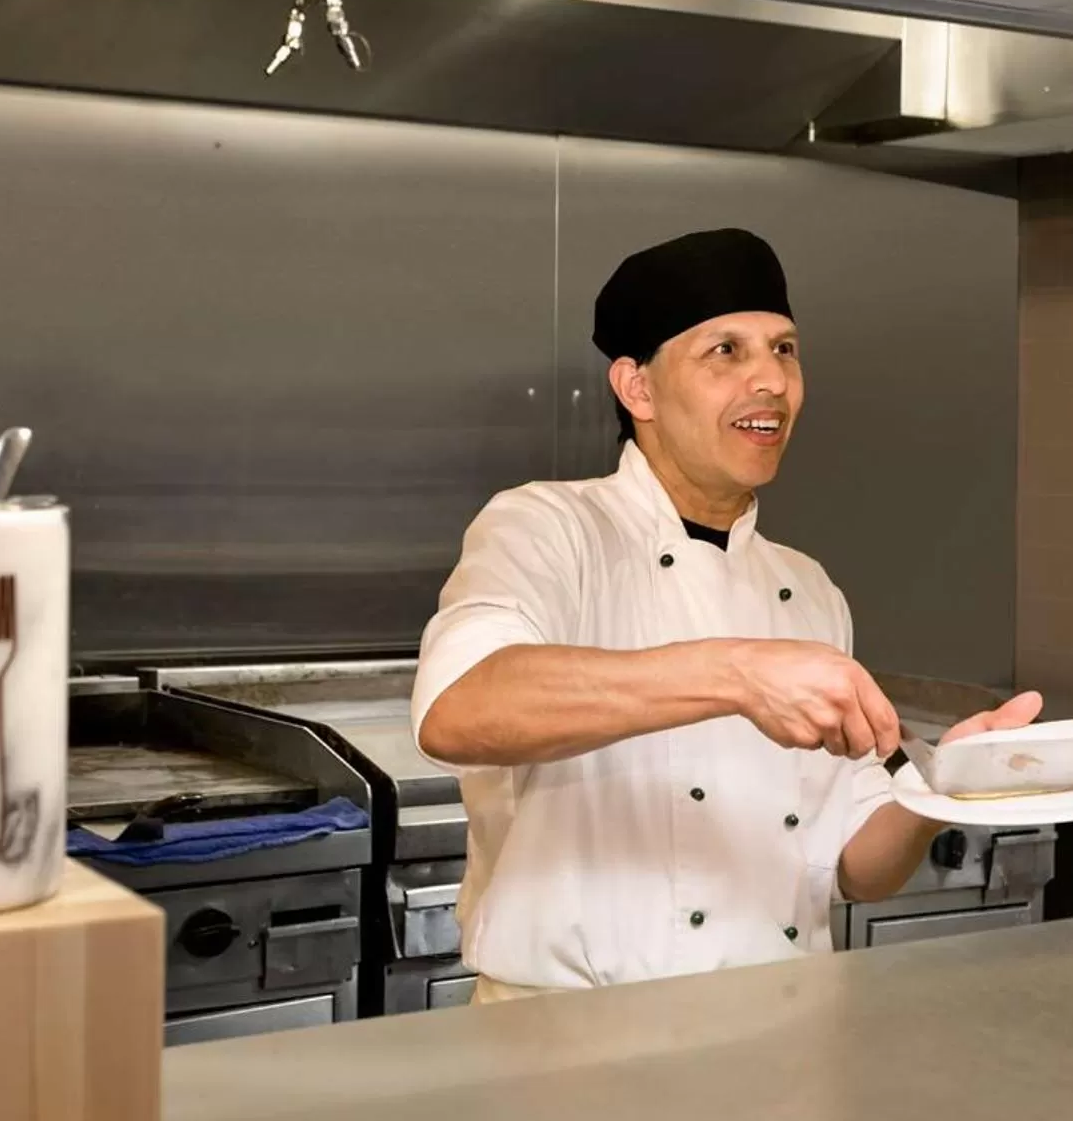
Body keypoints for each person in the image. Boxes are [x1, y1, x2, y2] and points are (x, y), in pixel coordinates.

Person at [411, 227, 1041, 1003]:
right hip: (569, 1046)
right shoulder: (548, 528)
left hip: (776, 1032)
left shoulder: (809, 590)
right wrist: (737, 674)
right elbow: (457, 706)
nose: (770, 381)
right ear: (636, 388)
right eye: (726, 352)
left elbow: (853, 866)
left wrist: (940, 786)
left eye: (784, 349)